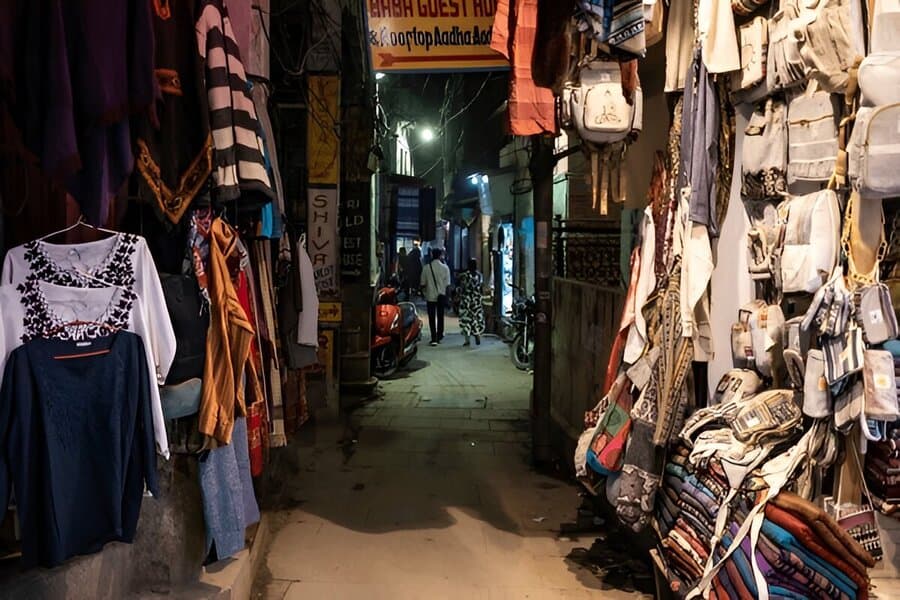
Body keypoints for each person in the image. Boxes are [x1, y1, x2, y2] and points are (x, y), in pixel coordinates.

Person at [420, 247, 451, 346]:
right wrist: (447, 296)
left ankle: (433, 337)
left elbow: (422, 283)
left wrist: (424, 293)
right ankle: (439, 335)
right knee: (440, 316)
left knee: (432, 317)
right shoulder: (445, 268)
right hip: (441, 296)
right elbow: (448, 285)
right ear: (440, 255)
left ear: (432, 255)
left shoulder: (426, 268)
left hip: (430, 296)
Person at [457, 258, 485, 346]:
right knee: (476, 318)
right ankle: (477, 333)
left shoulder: (464, 275)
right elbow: (481, 287)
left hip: (466, 300)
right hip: (476, 300)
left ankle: (467, 340)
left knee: (466, 320)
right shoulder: (479, 275)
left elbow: (461, 287)